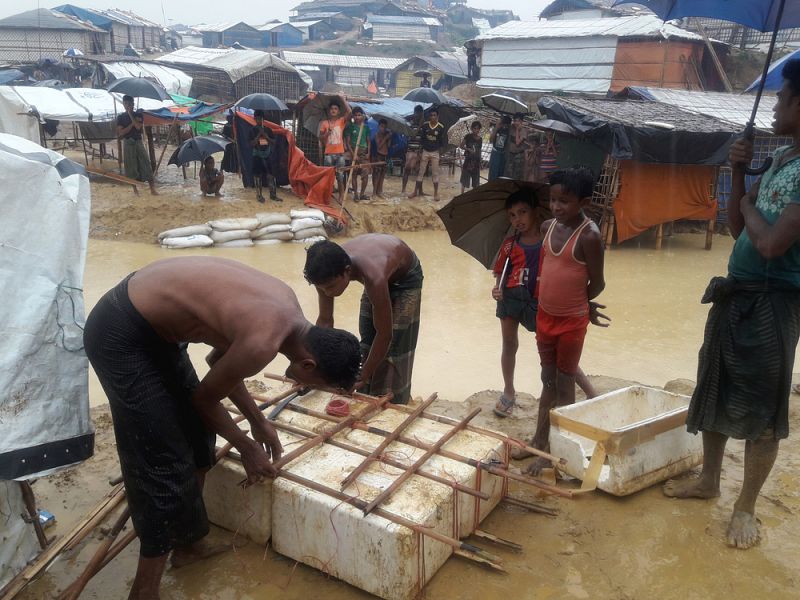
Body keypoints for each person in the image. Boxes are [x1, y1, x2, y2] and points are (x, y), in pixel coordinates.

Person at [83, 257, 361, 599]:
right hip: (121, 332)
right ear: (308, 363)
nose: (306, 387)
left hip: (156, 330)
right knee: (163, 462)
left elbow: (219, 364)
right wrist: (247, 446)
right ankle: (144, 591)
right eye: (315, 383)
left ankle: (187, 548)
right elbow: (204, 398)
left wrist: (259, 423)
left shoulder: (287, 312)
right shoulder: (263, 341)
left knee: (200, 436)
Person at [663, 59, 800, 550]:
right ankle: (709, 481)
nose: (778, 105)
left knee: (763, 408)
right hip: (736, 292)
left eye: (784, 98)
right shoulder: (783, 158)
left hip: (773, 302)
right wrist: (740, 172)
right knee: (715, 387)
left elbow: (771, 245)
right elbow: (736, 230)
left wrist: (744, 203)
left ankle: (745, 507)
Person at [515, 168, 607, 474]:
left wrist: (583, 303)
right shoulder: (546, 227)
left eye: (564, 201)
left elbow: (598, 283)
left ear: (583, 202)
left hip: (571, 321)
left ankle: (558, 451)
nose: (556, 207)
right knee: (547, 380)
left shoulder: (590, 236)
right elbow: (548, 269)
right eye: (553, 200)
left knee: (566, 385)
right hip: (545, 316)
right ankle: (539, 440)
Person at [491, 190, 597, 418]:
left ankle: (591, 394)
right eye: (511, 216)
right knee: (509, 345)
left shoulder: (549, 242)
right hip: (510, 299)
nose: (517, 219)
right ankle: (509, 391)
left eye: (522, 212)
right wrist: (497, 289)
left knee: (559, 354)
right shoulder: (509, 245)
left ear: (536, 212)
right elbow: (499, 273)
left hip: (540, 302)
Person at [304, 235, 424, 405]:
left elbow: (384, 335)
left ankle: (395, 400)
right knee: (367, 337)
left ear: (347, 271)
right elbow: (325, 321)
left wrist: (364, 374)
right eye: (322, 288)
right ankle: (365, 391)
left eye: (331, 287)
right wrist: (313, 364)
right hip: (379, 267)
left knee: (395, 347)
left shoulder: (373, 277)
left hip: (405, 279)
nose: (327, 293)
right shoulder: (324, 272)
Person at [409, 107, 445, 202]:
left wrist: (439, 154)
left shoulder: (441, 127)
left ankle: (436, 194)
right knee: (421, 172)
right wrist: (420, 152)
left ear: (437, 116)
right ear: (429, 116)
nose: (433, 117)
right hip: (425, 151)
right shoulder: (425, 126)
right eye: (431, 115)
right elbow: (422, 139)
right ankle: (415, 192)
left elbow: (441, 141)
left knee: (435, 173)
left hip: (435, 152)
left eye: (434, 115)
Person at [319, 96, 351, 204]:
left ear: (338, 111)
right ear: (329, 111)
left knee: (340, 176)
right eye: (332, 108)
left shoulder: (341, 121)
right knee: (328, 176)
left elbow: (350, 112)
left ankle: (341, 195)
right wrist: (327, 133)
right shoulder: (324, 123)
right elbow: (321, 138)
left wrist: (342, 99)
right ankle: (327, 195)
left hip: (339, 154)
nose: (333, 110)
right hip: (328, 154)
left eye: (335, 109)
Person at [116, 95, 153, 188]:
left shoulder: (139, 115)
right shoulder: (120, 117)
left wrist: (131, 115)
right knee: (130, 166)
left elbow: (138, 127)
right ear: (123, 104)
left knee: (145, 163)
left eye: (129, 104)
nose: (127, 105)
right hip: (128, 142)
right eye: (125, 104)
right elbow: (121, 132)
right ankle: (135, 190)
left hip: (138, 141)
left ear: (133, 104)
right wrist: (132, 123)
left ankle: (152, 188)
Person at [249, 110, 278, 203]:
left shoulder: (268, 130)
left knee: (271, 175)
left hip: (267, 154)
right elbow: (251, 144)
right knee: (258, 176)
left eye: (260, 119)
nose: (259, 120)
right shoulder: (252, 130)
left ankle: (273, 195)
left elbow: (273, 142)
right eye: (257, 119)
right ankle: (259, 195)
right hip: (257, 154)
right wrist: (259, 135)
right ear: (254, 119)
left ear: (263, 119)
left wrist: (266, 136)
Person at [344, 106, 371, 201]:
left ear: (362, 116)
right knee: (354, 173)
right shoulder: (350, 127)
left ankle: (362, 194)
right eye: (355, 115)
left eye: (359, 115)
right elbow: (348, 142)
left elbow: (368, 142)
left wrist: (368, 153)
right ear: (353, 116)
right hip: (353, 152)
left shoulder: (366, 128)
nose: (357, 117)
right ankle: (355, 194)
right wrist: (353, 154)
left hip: (364, 152)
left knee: (365, 173)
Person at [402, 105, 425, 194]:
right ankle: (403, 190)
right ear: (414, 113)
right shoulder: (410, 124)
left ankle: (419, 191)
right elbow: (411, 135)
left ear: (422, 114)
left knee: (419, 171)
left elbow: (424, 139)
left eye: (419, 113)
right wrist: (418, 125)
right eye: (416, 113)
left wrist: (421, 150)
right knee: (407, 169)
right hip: (410, 150)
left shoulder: (424, 125)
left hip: (419, 150)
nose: (418, 115)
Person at [459, 120, 482, 194]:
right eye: (475, 128)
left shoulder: (480, 139)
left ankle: (474, 196)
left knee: (475, 181)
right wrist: (468, 149)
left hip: (476, 161)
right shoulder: (468, 136)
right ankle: (462, 194)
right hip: (468, 160)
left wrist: (480, 161)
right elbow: (461, 146)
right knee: (465, 179)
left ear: (479, 129)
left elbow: (479, 151)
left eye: (478, 128)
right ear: (472, 129)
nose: (476, 130)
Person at [505, 113, 528, 180]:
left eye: (518, 121)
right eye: (515, 120)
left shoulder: (523, 131)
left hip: (519, 155)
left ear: (521, 122)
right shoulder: (511, 127)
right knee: (509, 173)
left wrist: (518, 130)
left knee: (517, 175)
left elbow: (517, 143)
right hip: (510, 154)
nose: (516, 122)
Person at [373, 118, 392, 199]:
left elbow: (388, 146)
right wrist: (385, 138)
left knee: (382, 175)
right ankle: (374, 192)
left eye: (384, 127)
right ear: (378, 126)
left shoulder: (387, 134)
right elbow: (379, 147)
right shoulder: (377, 135)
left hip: (385, 156)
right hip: (378, 156)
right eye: (381, 126)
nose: (383, 128)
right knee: (376, 175)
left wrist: (389, 138)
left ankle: (380, 191)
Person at [488, 115, 511, 181]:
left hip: (503, 154)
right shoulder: (497, 129)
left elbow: (508, 143)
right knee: (493, 173)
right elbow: (490, 140)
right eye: (504, 124)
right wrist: (496, 127)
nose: (505, 126)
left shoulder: (508, 131)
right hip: (495, 153)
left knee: (501, 173)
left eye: (507, 125)